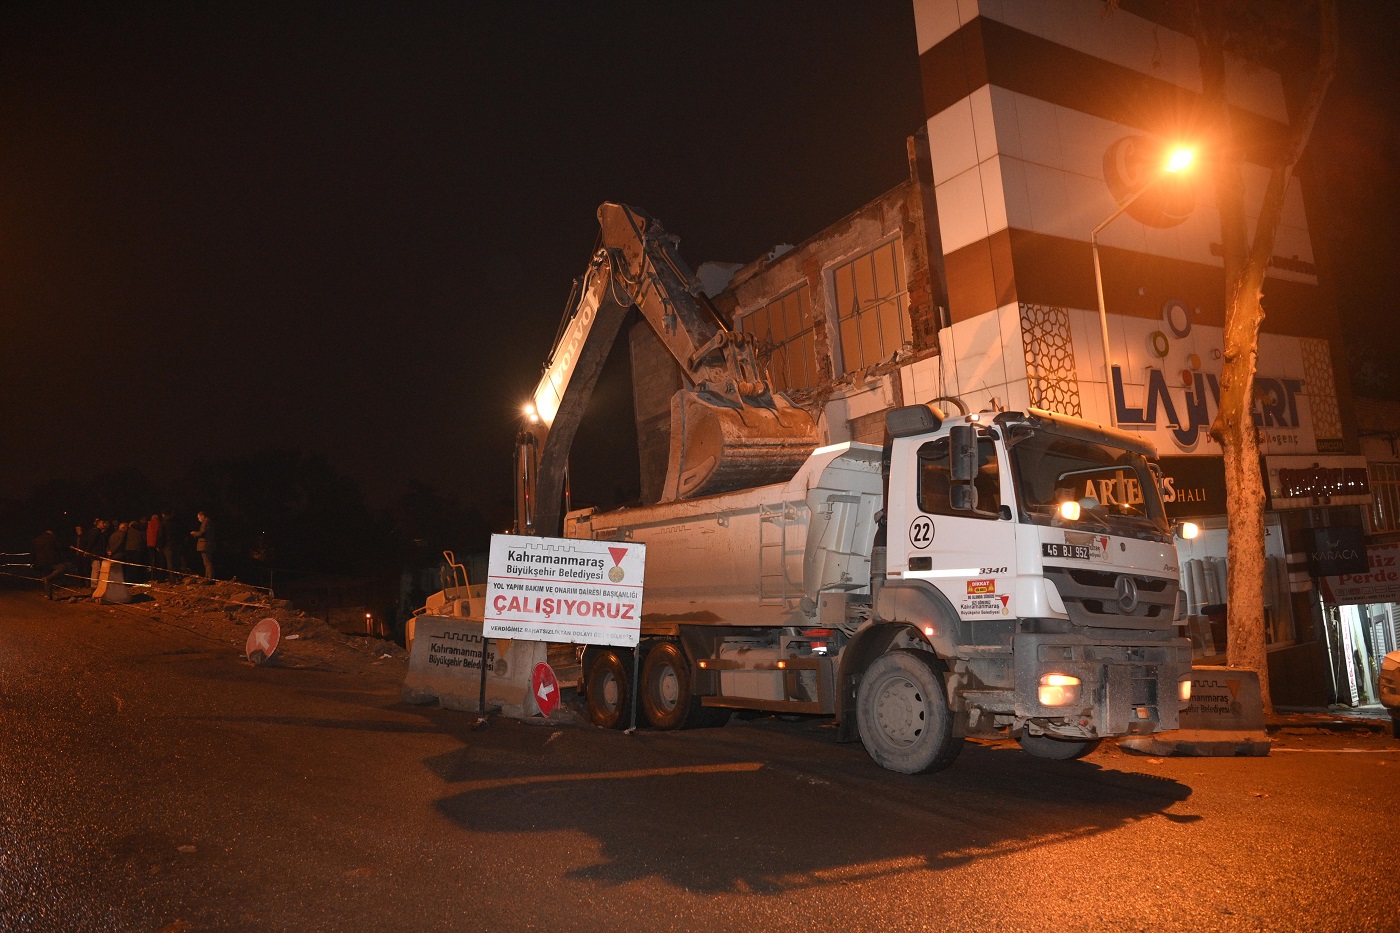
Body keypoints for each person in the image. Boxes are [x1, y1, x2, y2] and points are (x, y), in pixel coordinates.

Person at [31, 528, 72, 599]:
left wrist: (33, 562)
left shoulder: (36, 540)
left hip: (41, 562)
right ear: (51, 532)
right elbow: (60, 547)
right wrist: (69, 548)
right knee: (62, 568)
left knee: (46, 574)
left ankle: (48, 595)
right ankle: (47, 578)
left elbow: (33, 553)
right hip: (52, 561)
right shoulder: (53, 538)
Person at [191, 511, 215, 580]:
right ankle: (207, 577)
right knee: (207, 562)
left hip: (205, 544)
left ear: (202, 516)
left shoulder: (205, 523)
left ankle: (209, 578)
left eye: (199, 518)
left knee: (207, 562)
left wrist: (194, 533)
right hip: (209, 544)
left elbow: (202, 533)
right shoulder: (210, 522)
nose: (199, 520)